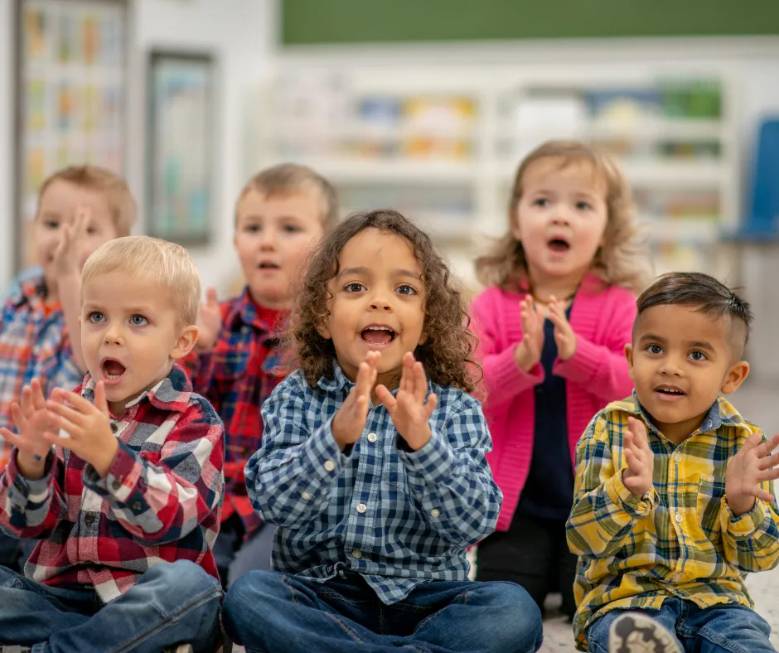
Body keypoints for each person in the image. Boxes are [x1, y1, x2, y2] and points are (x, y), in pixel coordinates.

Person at [222, 210, 543, 653]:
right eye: (356, 287)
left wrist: (423, 444)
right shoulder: (296, 396)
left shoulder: (456, 407)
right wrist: (333, 437)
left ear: (428, 323)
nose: (380, 301)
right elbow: (273, 504)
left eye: (404, 289)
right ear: (321, 316)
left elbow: (475, 521)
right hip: (323, 595)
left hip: (429, 599)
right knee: (249, 597)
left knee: (515, 610)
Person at [0, 236, 224, 653]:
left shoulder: (195, 420)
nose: (112, 335)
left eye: (137, 320)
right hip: (61, 600)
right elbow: (23, 526)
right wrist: (30, 464)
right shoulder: (67, 409)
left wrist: (110, 457)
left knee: (191, 588)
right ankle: (93, 643)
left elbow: (170, 518)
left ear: (181, 342)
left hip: (144, 598)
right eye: (97, 316)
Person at [471, 140, 649, 617]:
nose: (560, 216)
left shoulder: (620, 305)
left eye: (581, 204)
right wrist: (520, 359)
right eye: (543, 201)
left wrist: (580, 355)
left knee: (596, 604)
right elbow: (470, 387)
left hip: (595, 503)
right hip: (516, 508)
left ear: (606, 229)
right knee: (501, 603)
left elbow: (637, 388)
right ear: (515, 221)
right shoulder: (490, 304)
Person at [567, 272, 779, 653]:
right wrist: (626, 493)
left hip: (717, 603)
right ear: (631, 359)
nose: (671, 367)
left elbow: (763, 558)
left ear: (732, 376)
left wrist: (742, 504)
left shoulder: (744, 445)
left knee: (746, 643)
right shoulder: (608, 430)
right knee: (623, 637)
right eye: (654, 349)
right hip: (625, 602)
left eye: (696, 355)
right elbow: (581, 539)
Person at [185, 163, 337, 588]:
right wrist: (197, 350)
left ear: (327, 245)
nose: (267, 241)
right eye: (253, 228)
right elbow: (175, 412)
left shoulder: (333, 333)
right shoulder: (215, 324)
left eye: (289, 228)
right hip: (212, 499)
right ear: (236, 241)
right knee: (187, 581)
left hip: (286, 509)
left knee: (250, 586)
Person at [0, 164, 136, 572]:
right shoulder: (17, 297)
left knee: (32, 565)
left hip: (54, 490)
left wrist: (68, 276)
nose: (65, 238)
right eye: (52, 222)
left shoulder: (106, 317)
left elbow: (89, 359)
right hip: (7, 470)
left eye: (86, 229)